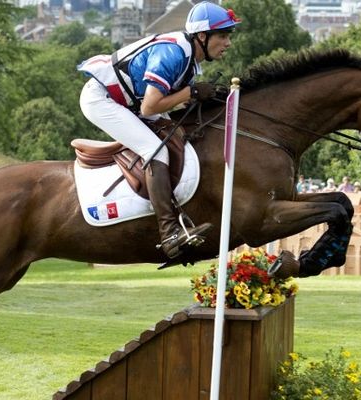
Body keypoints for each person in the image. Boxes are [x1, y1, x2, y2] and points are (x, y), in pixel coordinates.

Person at [77, 2, 240, 259]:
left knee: (178, 138)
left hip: (127, 101)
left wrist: (199, 96)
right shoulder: (173, 54)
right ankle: (169, 232)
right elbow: (150, 105)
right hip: (102, 100)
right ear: (202, 36)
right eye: (222, 35)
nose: (228, 43)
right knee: (156, 151)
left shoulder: (189, 57)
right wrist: (192, 92)